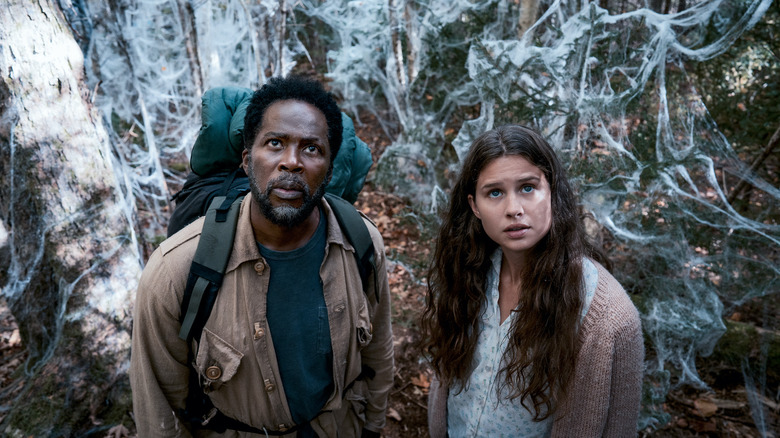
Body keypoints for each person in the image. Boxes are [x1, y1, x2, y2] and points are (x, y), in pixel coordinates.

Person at [130, 76, 394, 437]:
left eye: (312, 149)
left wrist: (373, 427)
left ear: (329, 170)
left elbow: (378, 350)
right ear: (246, 160)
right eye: (274, 143)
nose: (291, 162)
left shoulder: (360, 242)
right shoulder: (175, 270)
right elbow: (157, 404)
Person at [421, 124, 644, 437]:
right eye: (495, 192)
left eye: (527, 187)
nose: (514, 209)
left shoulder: (608, 317)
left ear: (551, 190)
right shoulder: (468, 271)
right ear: (474, 206)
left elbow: (619, 428)